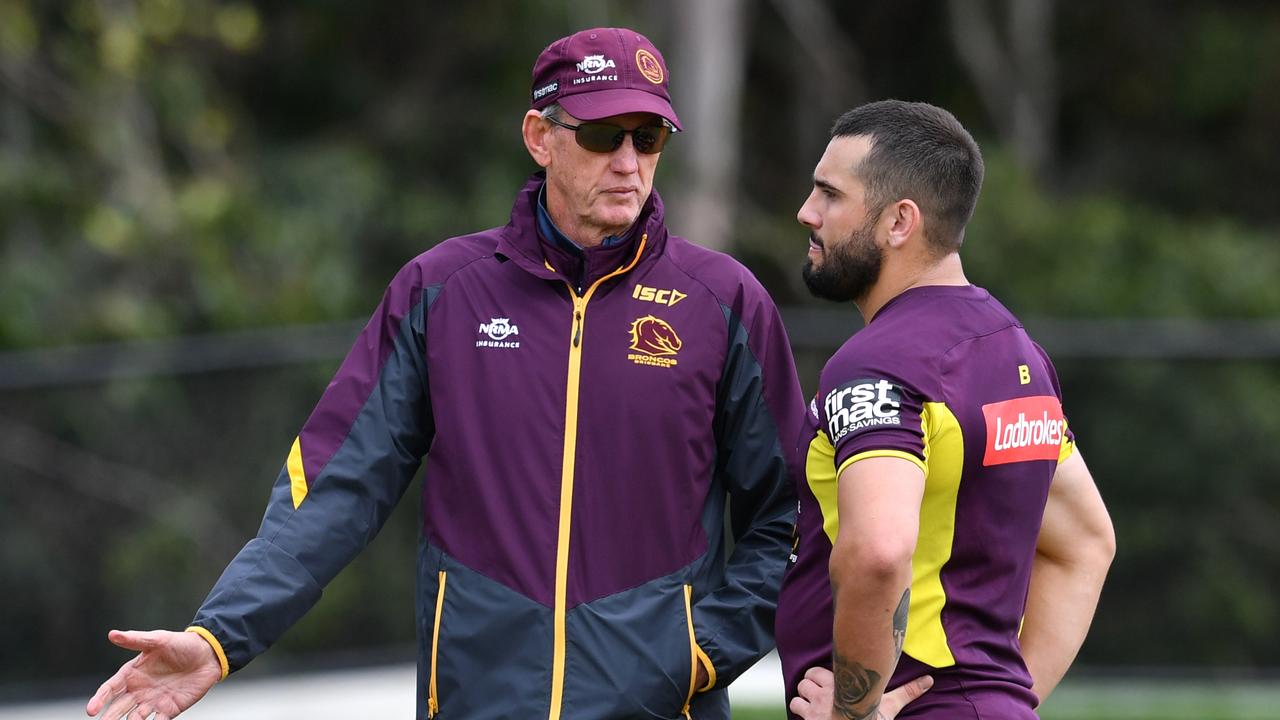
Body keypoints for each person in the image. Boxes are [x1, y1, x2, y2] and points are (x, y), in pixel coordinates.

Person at [85, 27, 808, 720]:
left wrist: (698, 654)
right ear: (540, 138)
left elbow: (794, 514)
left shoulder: (724, 302)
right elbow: (336, 487)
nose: (628, 162)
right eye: (600, 135)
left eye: (647, 138)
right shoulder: (440, 290)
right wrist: (220, 635)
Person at [775, 100, 1116, 720]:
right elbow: (1086, 543)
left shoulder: (877, 364)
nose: (807, 212)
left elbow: (879, 550)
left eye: (829, 194)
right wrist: (1003, 700)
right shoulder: (1019, 354)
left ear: (898, 221)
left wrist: (855, 712)